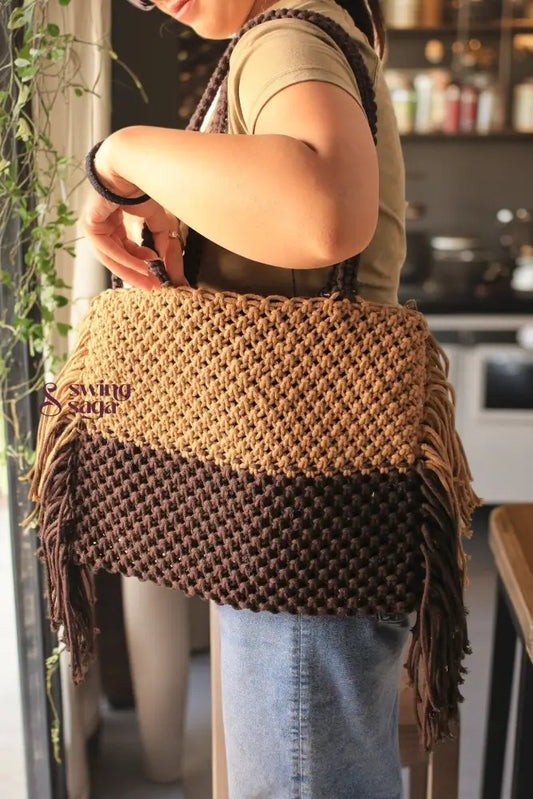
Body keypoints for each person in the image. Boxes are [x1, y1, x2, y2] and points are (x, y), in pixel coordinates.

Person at [82, 1, 412, 797]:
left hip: (299, 496)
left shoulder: (282, 34)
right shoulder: (296, 30)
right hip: (310, 482)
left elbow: (325, 214)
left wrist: (121, 152)